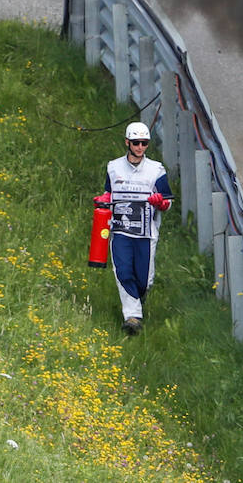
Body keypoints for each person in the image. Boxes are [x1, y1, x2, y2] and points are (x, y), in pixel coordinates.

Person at [95, 122, 172, 335]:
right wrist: (104, 199)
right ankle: (132, 317)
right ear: (127, 142)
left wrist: (160, 202)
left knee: (145, 278)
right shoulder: (113, 167)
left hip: (146, 233)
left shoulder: (156, 170)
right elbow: (108, 192)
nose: (140, 147)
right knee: (122, 270)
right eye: (136, 143)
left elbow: (167, 200)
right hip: (120, 231)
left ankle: (138, 298)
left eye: (144, 143)